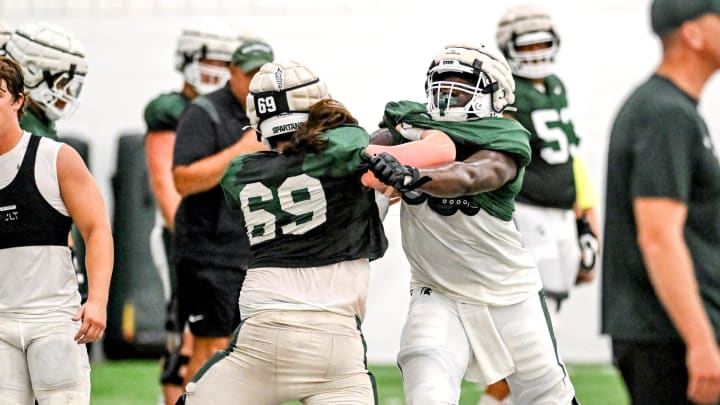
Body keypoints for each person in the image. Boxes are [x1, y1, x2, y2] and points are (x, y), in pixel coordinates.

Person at [178, 60, 455, 405]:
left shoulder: (240, 172)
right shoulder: (345, 152)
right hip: (335, 346)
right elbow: (439, 151)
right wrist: (412, 131)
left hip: (261, 338)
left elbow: (320, 184)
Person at [367, 43, 579, 404]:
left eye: (462, 85)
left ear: (493, 96)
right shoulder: (413, 125)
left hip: (509, 294)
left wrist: (412, 175)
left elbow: (471, 175)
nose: (447, 94)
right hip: (437, 291)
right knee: (427, 380)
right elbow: (365, 148)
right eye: (441, 83)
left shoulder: (506, 138)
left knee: (547, 394)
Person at [479, 5, 601, 404]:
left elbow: (571, 157)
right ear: (507, 46)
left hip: (562, 214)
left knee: (552, 316)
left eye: (541, 42)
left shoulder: (556, 85)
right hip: (527, 212)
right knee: (532, 327)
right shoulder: (506, 91)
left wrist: (586, 220)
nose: (534, 51)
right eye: (525, 43)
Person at [602, 1, 720, 404]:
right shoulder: (664, 114)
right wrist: (701, 342)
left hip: (670, 335)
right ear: (693, 33)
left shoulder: (674, 111)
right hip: (666, 339)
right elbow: (659, 238)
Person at [0, 56, 113, 404]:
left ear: (19, 101)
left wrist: (97, 301)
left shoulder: (55, 158)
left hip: (53, 320)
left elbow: (96, 230)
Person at [144, 26, 241, 405]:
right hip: (186, 237)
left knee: (222, 335)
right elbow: (167, 184)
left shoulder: (227, 108)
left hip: (224, 239)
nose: (216, 69)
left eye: (223, 62)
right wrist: (190, 241)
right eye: (208, 61)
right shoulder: (171, 111)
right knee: (184, 333)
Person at [172, 38, 272, 386]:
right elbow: (183, 181)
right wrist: (239, 151)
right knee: (211, 345)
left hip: (255, 252)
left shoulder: (274, 115)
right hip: (208, 253)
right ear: (231, 72)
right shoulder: (204, 112)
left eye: (264, 74)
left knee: (255, 349)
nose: (255, 81)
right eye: (249, 73)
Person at [5, 22, 88, 140]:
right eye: (62, 83)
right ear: (31, 73)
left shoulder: (39, 122)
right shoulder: (17, 131)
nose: (68, 93)